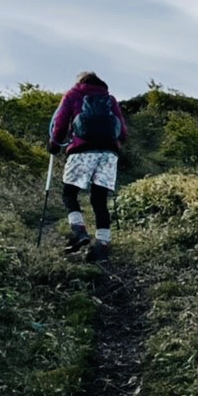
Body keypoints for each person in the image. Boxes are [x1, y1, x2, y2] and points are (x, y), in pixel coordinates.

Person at [47, 71, 128, 263]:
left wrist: (54, 143)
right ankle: (102, 245)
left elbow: (60, 123)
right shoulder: (110, 99)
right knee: (99, 200)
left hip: (82, 151)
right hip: (108, 153)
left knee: (69, 193)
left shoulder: (72, 94)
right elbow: (123, 133)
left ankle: (79, 231)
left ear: (80, 81)